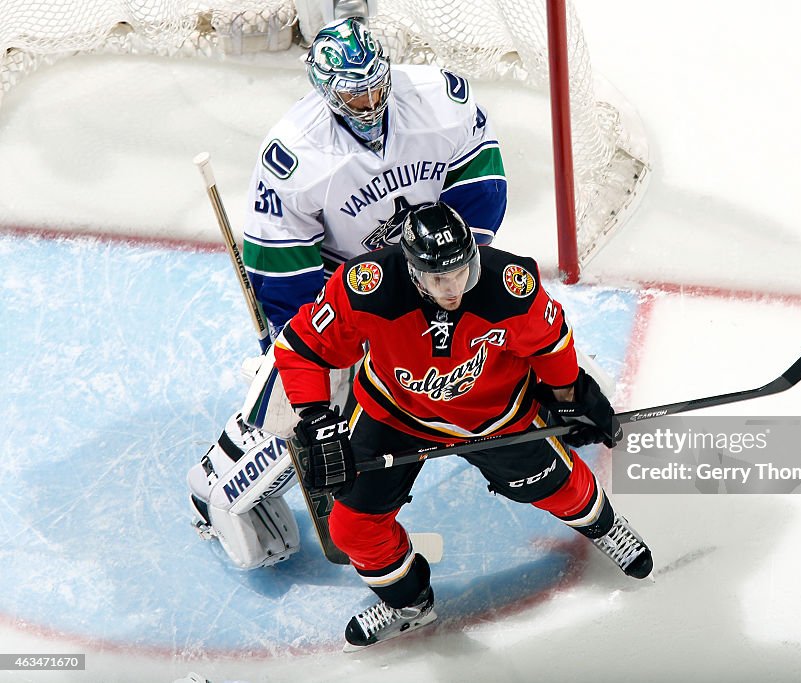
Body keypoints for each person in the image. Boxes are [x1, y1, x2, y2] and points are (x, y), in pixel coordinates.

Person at [186, 14, 508, 570]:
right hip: (353, 288)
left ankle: (559, 393)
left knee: (504, 323)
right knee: (307, 405)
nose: (369, 99)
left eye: (375, 82)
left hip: (438, 258)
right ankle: (218, 488)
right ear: (325, 91)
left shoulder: (440, 96)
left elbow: (482, 180)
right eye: (352, 92)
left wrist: (450, 270)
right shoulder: (294, 154)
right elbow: (282, 268)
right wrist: (317, 340)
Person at [273, 201, 653, 650]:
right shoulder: (367, 287)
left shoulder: (508, 286)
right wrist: (315, 416)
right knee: (352, 527)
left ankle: (605, 527)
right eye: (440, 278)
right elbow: (302, 348)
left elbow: (551, 343)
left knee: (560, 488)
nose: (455, 287)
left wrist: (571, 395)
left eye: (462, 271)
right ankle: (409, 605)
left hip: (495, 416)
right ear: (414, 272)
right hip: (394, 412)